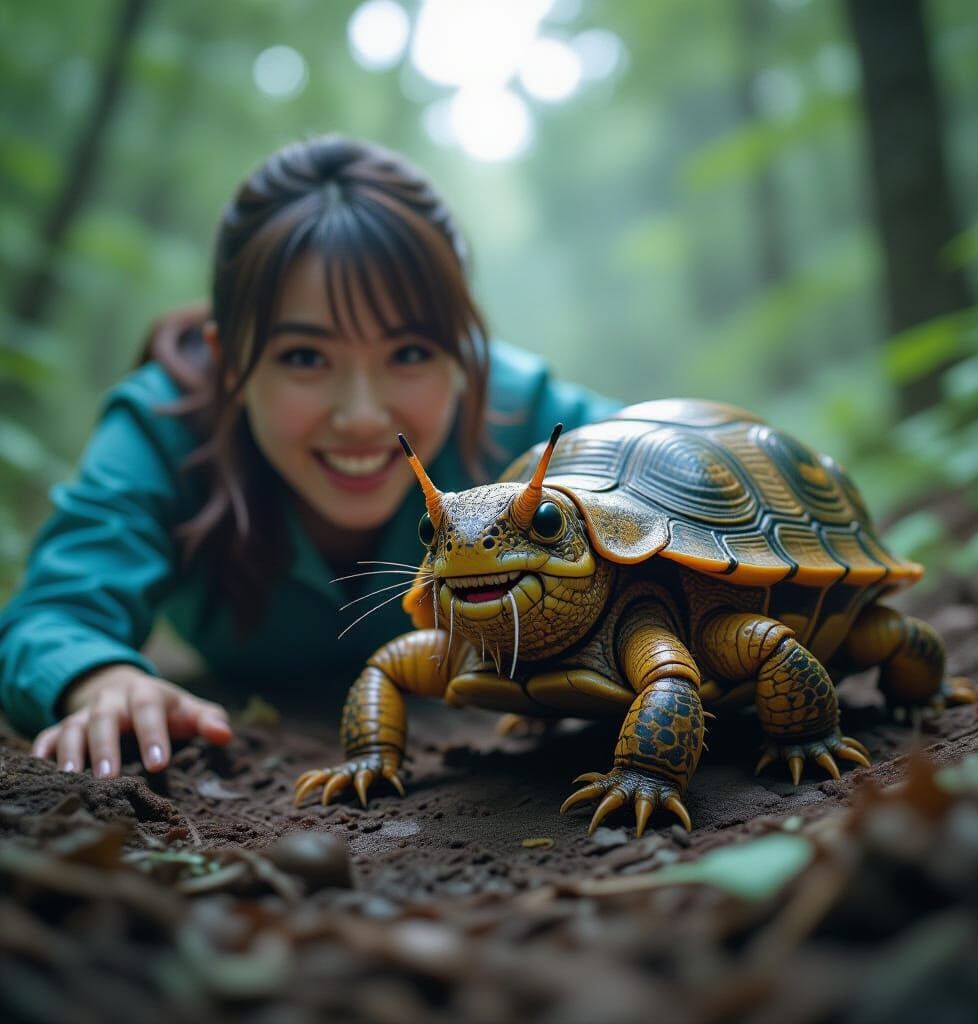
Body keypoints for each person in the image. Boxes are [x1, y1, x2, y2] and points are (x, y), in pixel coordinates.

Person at [0, 135, 619, 779]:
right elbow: (52, 614)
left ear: (464, 356)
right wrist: (99, 679)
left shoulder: (526, 416)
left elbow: (688, 469)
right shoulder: (165, 426)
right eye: (304, 357)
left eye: (409, 354)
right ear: (231, 361)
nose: (361, 416)